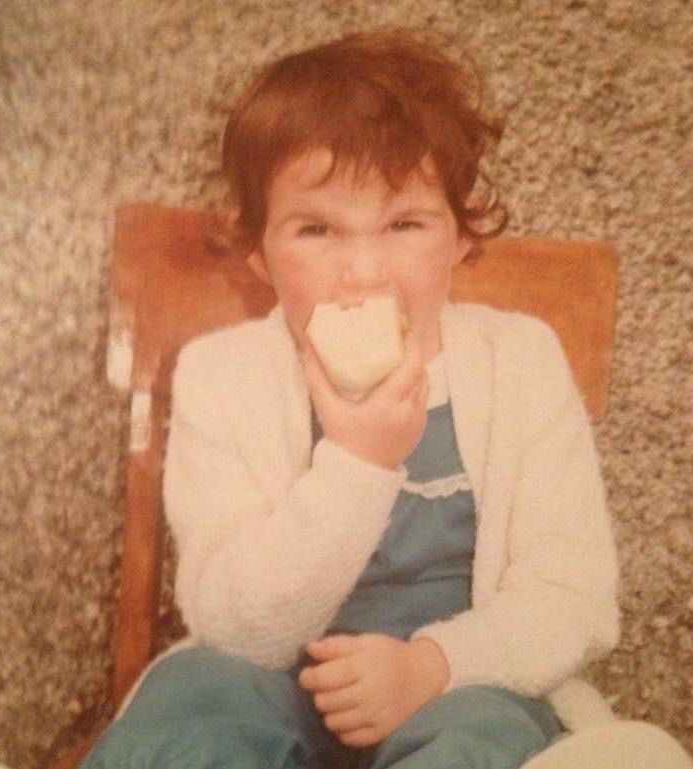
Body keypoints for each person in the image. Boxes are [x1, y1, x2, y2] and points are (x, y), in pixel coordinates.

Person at [80, 28, 620, 769]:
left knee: (487, 739)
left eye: (404, 224)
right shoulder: (224, 374)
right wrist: (359, 463)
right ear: (258, 253)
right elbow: (234, 624)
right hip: (267, 676)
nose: (363, 271)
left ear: (461, 235)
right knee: (193, 707)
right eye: (317, 229)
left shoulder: (520, 362)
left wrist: (432, 665)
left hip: (457, 684)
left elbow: (572, 599)